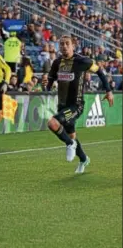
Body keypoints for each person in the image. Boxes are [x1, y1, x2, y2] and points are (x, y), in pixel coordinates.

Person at [47, 34, 114, 174]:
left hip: (76, 105)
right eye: (62, 44)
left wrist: (108, 91)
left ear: (73, 46)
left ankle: (70, 144)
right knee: (72, 135)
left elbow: (100, 72)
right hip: (62, 105)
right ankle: (84, 159)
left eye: (67, 43)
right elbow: (50, 81)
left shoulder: (82, 61)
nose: (64, 46)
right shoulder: (56, 63)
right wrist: (46, 85)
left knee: (52, 123)